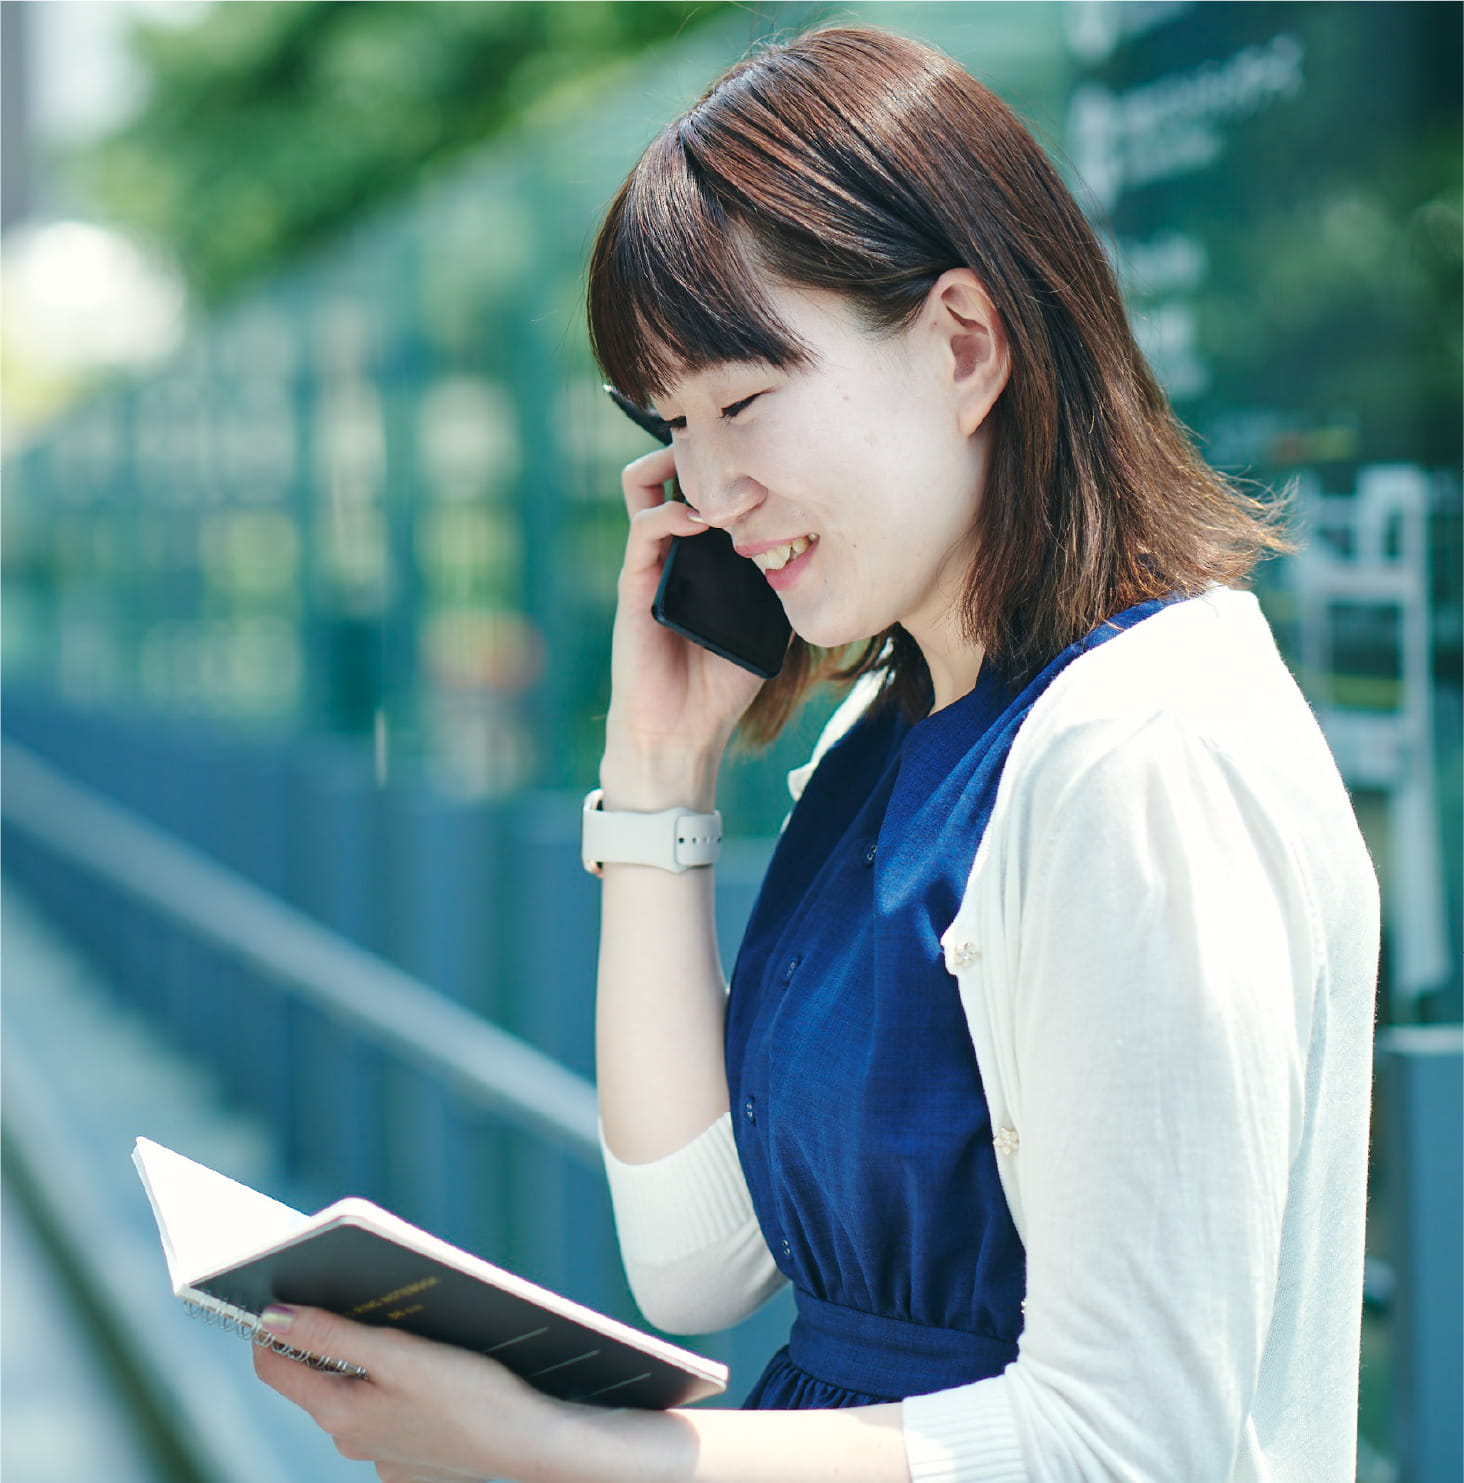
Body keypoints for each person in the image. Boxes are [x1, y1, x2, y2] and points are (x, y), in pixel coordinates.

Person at [254, 26, 1379, 1482]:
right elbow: (696, 1259)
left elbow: (1132, 1446)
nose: (707, 492)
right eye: (670, 425)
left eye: (741, 400)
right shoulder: (891, 731)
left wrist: (562, 1456)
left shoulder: (1137, 755)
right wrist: (658, 775)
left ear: (965, 343)